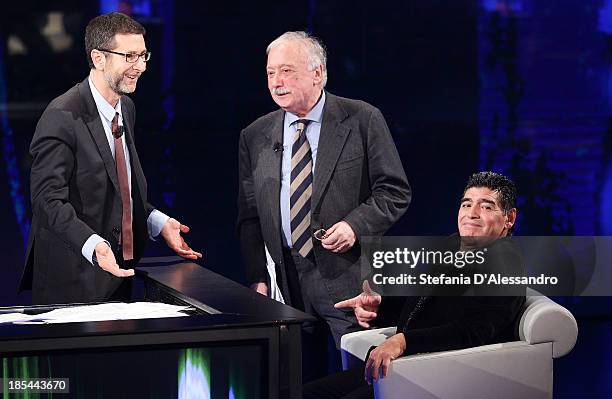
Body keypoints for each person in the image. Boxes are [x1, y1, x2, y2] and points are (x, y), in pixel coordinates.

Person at [237, 31, 411, 376]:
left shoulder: (362, 119)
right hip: (285, 282)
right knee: (299, 382)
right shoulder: (255, 135)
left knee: (357, 381)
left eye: (287, 71)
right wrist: (258, 276)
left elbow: (395, 191)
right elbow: (250, 215)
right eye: (271, 73)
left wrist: (354, 225)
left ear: (318, 73)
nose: (277, 82)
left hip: (349, 279)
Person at [19, 12, 201, 305]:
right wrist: (94, 245)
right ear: (99, 58)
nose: (140, 67)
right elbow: (47, 201)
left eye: (143, 55)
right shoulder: (62, 115)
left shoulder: (126, 108)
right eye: (129, 56)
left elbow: (118, 188)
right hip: (72, 280)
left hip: (120, 273)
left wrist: (157, 222)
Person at [305, 171, 526, 399]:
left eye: (487, 207)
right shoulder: (453, 244)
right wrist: (379, 306)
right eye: (466, 204)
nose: (472, 214)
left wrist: (403, 342)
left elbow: (473, 331)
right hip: (406, 365)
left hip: (439, 375)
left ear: (509, 218)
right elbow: (422, 302)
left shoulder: (505, 263)